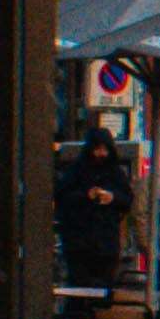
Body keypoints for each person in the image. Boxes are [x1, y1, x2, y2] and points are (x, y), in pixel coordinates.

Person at [52, 125, 133, 296]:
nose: (101, 154)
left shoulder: (115, 173)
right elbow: (62, 197)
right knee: (80, 290)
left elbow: (127, 199)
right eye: (98, 149)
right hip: (79, 243)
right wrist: (86, 196)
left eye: (105, 150)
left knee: (103, 290)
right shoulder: (76, 171)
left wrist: (112, 198)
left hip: (106, 244)